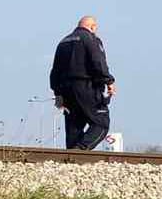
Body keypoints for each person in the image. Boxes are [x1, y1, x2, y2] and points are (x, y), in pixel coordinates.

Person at [49, 16, 116, 150]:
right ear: (92, 27)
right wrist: (109, 81)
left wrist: (58, 94)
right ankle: (80, 150)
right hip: (87, 87)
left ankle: (72, 156)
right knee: (101, 123)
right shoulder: (91, 39)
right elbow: (98, 62)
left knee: (74, 127)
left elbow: (55, 70)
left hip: (66, 91)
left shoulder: (63, 42)